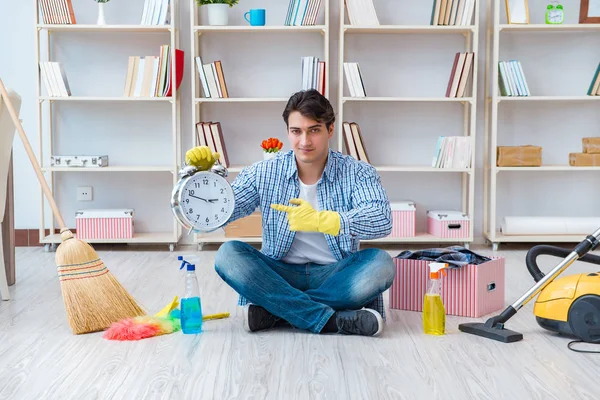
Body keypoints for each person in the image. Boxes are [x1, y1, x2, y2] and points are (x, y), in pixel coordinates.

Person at [185, 89, 396, 336]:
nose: (304, 141)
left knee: (381, 264)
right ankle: (331, 321)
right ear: (288, 132)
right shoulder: (263, 172)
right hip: (279, 273)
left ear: (330, 130)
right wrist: (203, 179)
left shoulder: (357, 172)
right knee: (228, 255)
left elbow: (381, 218)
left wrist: (324, 221)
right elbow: (224, 212)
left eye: (314, 130)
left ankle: (277, 311)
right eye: (297, 131)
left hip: (336, 274)